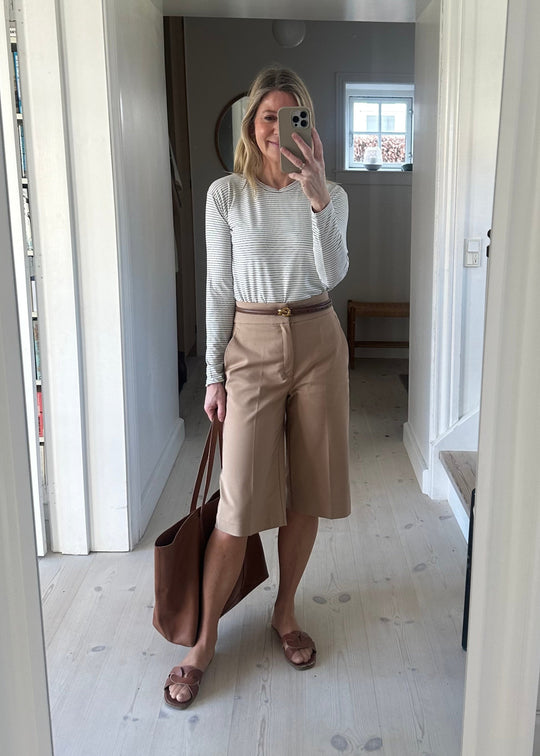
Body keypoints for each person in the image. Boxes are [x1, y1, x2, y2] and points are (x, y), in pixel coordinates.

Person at [164, 65, 351, 709]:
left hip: (319, 340)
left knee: (308, 493)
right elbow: (218, 288)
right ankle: (204, 640)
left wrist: (319, 197)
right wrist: (213, 374)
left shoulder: (330, 193)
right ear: (251, 125)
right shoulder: (225, 195)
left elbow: (333, 272)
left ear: (308, 124)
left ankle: (285, 610)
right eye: (268, 116)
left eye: (291, 116)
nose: (278, 128)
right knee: (238, 502)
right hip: (251, 343)